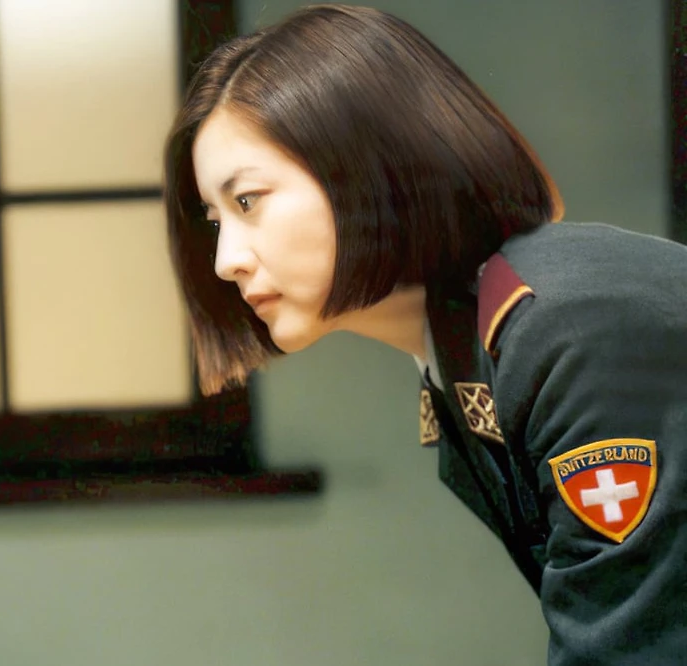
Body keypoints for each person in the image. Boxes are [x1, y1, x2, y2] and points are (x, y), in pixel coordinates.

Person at [164, 4, 687, 664]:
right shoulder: (468, 358)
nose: (224, 261)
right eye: (215, 221)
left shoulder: (567, 328)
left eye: (247, 201)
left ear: (369, 165)